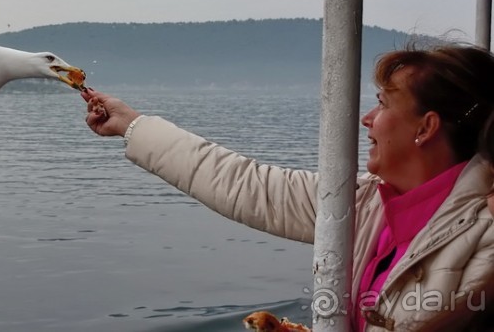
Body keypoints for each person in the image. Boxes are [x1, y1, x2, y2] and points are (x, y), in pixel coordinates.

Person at [82, 43, 494, 331]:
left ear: (426, 127)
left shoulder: (486, 231)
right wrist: (132, 125)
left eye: (384, 104)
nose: (368, 119)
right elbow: (246, 185)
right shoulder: (367, 201)